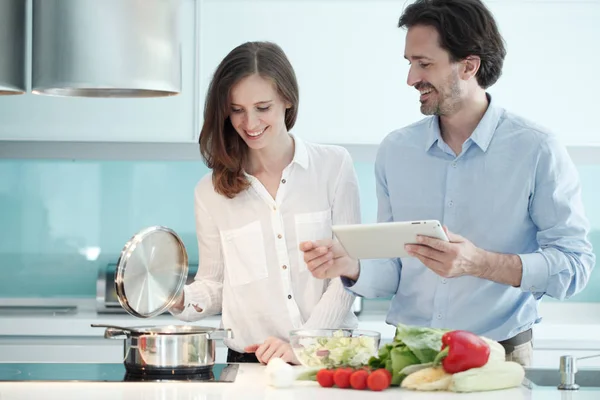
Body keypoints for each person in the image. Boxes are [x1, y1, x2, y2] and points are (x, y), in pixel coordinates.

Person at [300, 0, 595, 367]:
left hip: (497, 357)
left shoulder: (536, 148)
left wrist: (479, 263)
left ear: (469, 65)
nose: (411, 79)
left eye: (424, 64)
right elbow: (395, 269)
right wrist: (351, 266)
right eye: (409, 63)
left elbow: (575, 266)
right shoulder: (396, 150)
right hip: (407, 355)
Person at [170, 41, 360, 365]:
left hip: (328, 357)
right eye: (237, 110)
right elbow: (214, 285)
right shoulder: (210, 192)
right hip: (251, 363)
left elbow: (348, 274)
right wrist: (176, 297)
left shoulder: (334, 166)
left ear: (287, 99)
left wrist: (304, 344)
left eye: (262, 107)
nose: (250, 123)